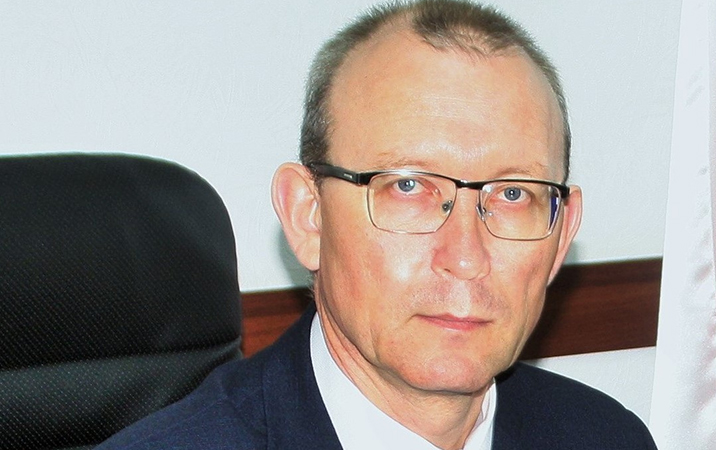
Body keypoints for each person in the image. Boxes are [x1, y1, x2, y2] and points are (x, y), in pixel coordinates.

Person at [98, 0, 656, 448]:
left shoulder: (607, 437)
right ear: (308, 215)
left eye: (513, 193)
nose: (466, 257)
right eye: (408, 186)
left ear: (561, 235)